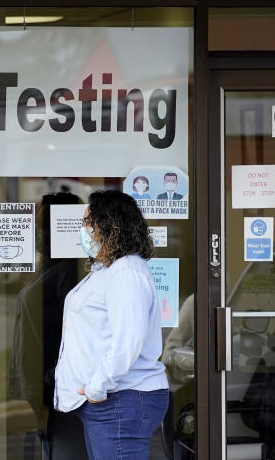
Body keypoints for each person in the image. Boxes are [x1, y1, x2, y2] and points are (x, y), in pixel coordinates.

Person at [53, 190, 169, 459]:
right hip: (109, 401)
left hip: (119, 400)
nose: (83, 231)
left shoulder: (127, 272)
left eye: (87, 223)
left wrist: (97, 385)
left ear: (109, 225)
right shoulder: (108, 271)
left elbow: (127, 341)